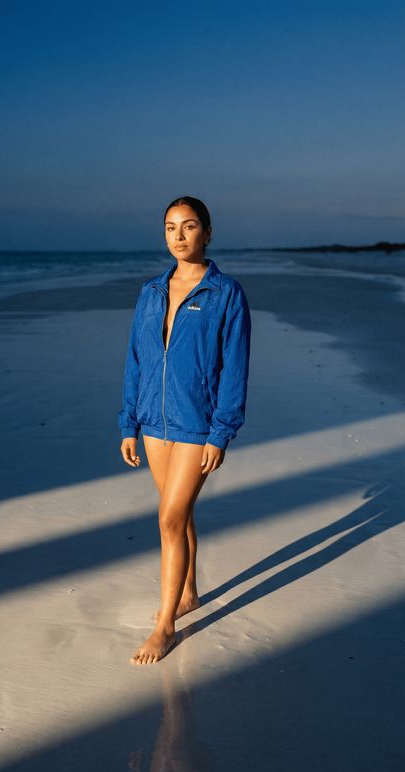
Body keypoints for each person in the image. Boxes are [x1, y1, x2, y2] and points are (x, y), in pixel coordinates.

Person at [118, 195, 251, 664]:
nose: (179, 235)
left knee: (169, 518)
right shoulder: (151, 291)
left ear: (207, 232)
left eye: (189, 226)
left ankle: (165, 627)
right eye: (170, 227)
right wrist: (129, 423)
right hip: (154, 423)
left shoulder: (226, 293)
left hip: (197, 424)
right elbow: (136, 360)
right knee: (180, 514)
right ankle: (189, 592)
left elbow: (234, 369)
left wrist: (220, 433)